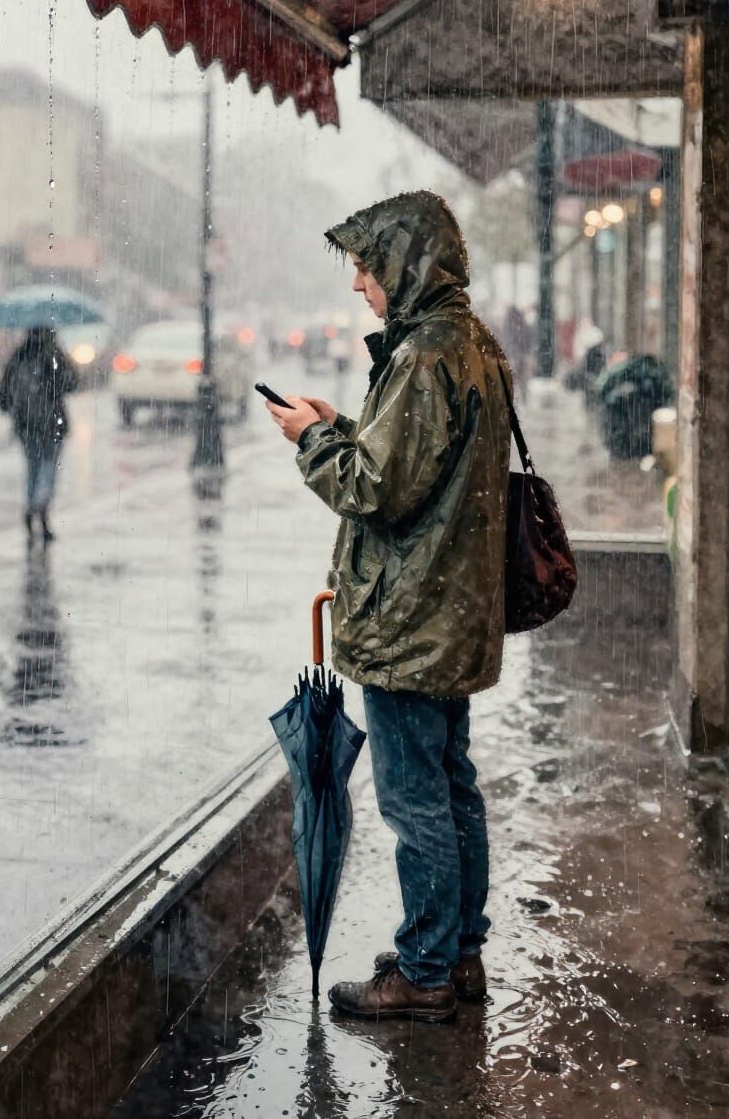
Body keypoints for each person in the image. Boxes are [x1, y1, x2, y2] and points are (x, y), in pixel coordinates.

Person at [265, 191, 512, 1025]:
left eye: (366, 269)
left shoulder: (424, 355)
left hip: (412, 615)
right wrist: (345, 422)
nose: (359, 286)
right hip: (454, 607)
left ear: (404, 266)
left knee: (415, 800)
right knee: (452, 785)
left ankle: (425, 969)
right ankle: (457, 951)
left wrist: (310, 439)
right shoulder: (470, 343)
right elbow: (423, 460)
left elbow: (375, 488)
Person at [0, 325, 76, 544]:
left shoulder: (19, 354)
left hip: (26, 424)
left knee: (33, 468)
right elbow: (72, 383)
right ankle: (41, 508)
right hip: (52, 423)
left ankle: (32, 508)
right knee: (49, 468)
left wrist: (17, 408)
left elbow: (2, 393)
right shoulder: (54, 354)